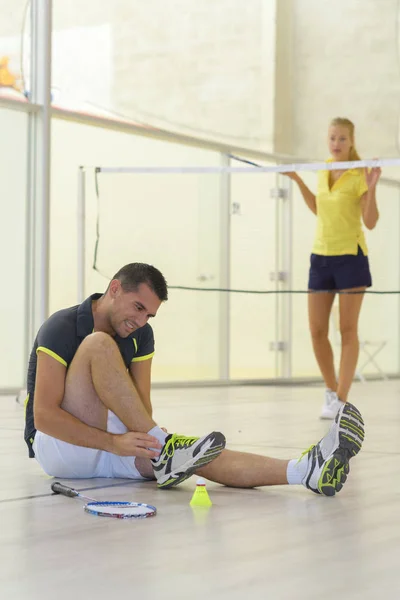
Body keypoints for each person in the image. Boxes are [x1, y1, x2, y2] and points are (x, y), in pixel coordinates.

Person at [25, 262, 364, 496]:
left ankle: (306, 471)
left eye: (150, 314)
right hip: (61, 448)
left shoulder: (141, 335)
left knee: (196, 453)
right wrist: (119, 443)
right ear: (114, 289)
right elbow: (44, 417)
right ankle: (166, 451)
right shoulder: (63, 326)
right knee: (98, 344)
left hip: (113, 441)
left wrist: (152, 443)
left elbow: (142, 406)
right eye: (138, 307)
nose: (142, 321)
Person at [286, 117, 381, 419]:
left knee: (347, 329)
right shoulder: (325, 168)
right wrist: (298, 180)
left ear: (352, 141)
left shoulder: (359, 173)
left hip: (350, 257)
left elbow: (370, 221)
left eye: (342, 138)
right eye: (332, 138)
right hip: (320, 256)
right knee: (316, 330)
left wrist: (372, 186)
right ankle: (331, 391)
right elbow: (318, 208)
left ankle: (342, 397)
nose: (336, 143)